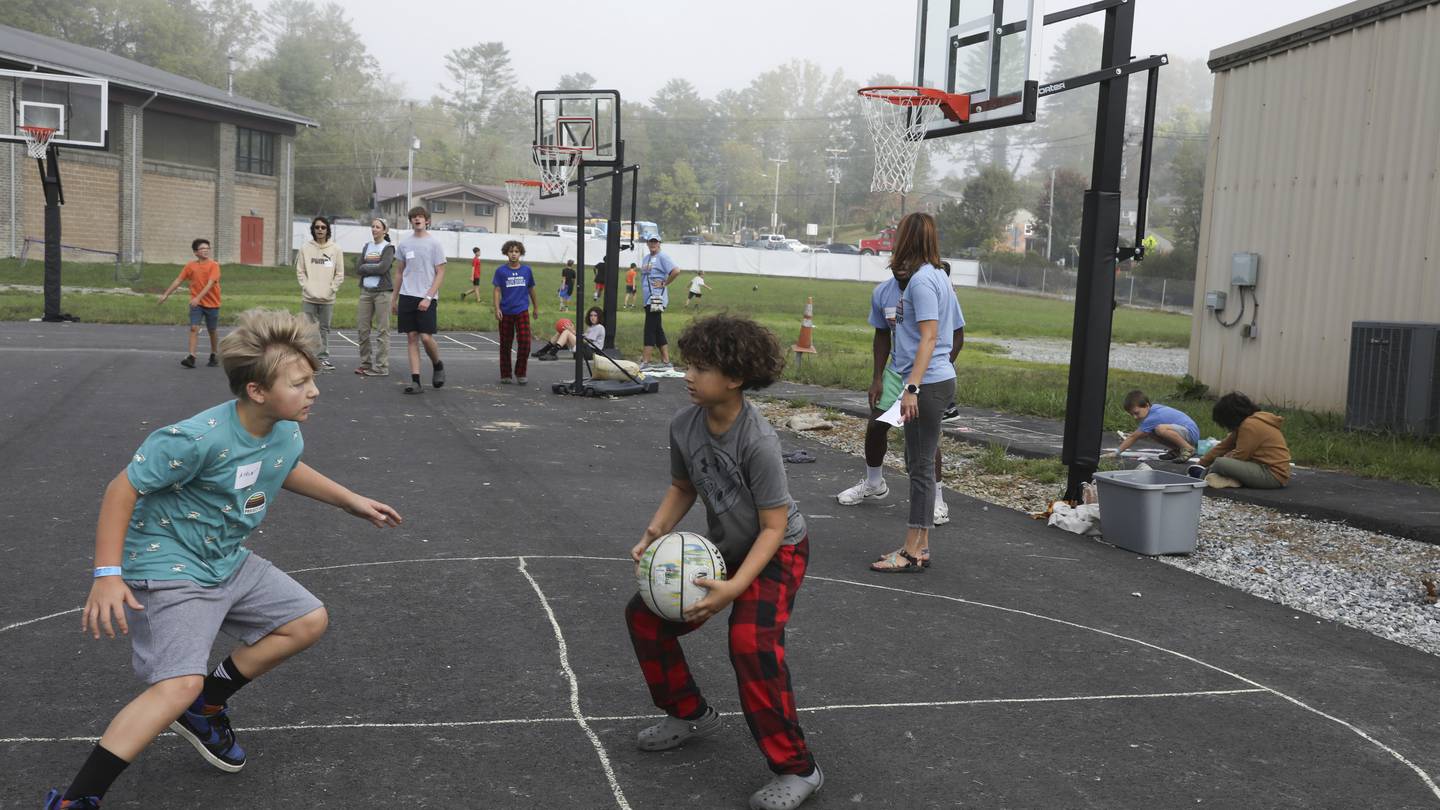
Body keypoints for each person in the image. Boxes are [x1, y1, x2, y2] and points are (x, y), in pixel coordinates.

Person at [41, 308, 401, 810]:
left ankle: (206, 706)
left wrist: (350, 501)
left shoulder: (284, 429)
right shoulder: (195, 439)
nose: (313, 391)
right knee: (175, 686)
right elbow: (120, 490)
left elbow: (281, 466)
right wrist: (107, 575)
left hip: (224, 559)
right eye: (299, 383)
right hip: (170, 566)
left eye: (312, 379)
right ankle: (76, 801)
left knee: (306, 620)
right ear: (257, 391)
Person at [625, 313, 822, 810]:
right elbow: (683, 486)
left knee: (750, 642)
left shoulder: (758, 441)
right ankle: (688, 712)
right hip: (727, 549)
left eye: (701, 367)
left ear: (734, 378)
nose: (689, 375)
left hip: (779, 551)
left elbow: (774, 527)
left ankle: (799, 769)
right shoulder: (684, 424)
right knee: (644, 616)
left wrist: (733, 591)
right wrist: (654, 533)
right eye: (688, 364)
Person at [837, 261, 965, 536]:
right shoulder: (883, 293)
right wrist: (877, 378)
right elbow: (881, 335)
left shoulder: (932, 286)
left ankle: (937, 501)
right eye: (897, 261)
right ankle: (874, 484)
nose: (901, 267)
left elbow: (956, 335)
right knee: (875, 426)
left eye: (908, 261)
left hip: (927, 371)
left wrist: (941, 367)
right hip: (898, 369)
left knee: (922, 437)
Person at [869, 212, 957, 573]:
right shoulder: (937, 276)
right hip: (935, 379)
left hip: (929, 381)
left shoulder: (922, 282)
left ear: (907, 239)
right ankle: (920, 546)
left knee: (919, 468)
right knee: (917, 464)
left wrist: (911, 388)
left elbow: (930, 337)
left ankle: (909, 551)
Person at [391, 206, 447, 395]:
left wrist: (429, 297)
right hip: (407, 295)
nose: (417, 219)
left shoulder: (434, 244)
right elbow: (399, 272)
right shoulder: (405, 244)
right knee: (412, 337)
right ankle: (416, 381)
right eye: (414, 217)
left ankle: (437, 364)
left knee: (425, 337)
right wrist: (394, 298)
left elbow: (440, 272)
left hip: (426, 296)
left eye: (420, 217)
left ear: (427, 220)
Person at [1192, 392, 1291, 489]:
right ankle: (1228, 479)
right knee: (1222, 462)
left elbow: (1240, 455)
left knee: (1220, 463)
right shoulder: (1250, 422)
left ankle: (1202, 476)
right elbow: (1223, 447)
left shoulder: (1250, 425)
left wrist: (1208, 467)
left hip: (1272, 475)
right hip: (1269, 472)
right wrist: (1201, 463)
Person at [157, 238, 221, 369]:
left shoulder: (214, 265)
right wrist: (165, 294)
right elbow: (178, 280)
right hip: (196, 304)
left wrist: (198, 297)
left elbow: (210, 284)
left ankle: (214, 353)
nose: (205, 250)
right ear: (195, 252)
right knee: (194, 328)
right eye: (202, 249)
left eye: (207, 248)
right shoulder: (190, 266)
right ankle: (191, 356)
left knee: (212, 330)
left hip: (212, 303)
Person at [295, 216, 345, 371]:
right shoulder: (305, 248)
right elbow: (300, 271)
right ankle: (307, 360)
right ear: (313, 230)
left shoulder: (335, 249)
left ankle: (323, 358)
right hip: (309, 297)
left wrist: (331, 289)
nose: (320, 230)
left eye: (323, 227)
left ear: (327, 229)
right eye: (317, 227)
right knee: (308, 329)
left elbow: (340, 274)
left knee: (323, 329)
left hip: (327, 299)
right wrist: (307, 287)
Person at [491, 240, 540, 384]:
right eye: (511, 251)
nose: (514, 254)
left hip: (522, 310)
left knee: (525, 342)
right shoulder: (501, 271)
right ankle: (505, 374)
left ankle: (520, 372)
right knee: (506, 343)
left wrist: (536, 307)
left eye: (516, 251)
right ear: (506, 253)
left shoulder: (526, 270)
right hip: (506, 311)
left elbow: (531, 289)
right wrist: (497, 308)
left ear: (520, 253)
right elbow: (497, 289)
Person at [353, 218, 394, 377]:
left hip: (382, 293)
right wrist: (371, 268)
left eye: (378, 227)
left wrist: (366, 267)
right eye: (373, 226)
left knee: (382, 330)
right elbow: (358, 268)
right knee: (363, 329)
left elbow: (383, 268)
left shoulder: (388, 248)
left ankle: (382, 366)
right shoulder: (367, 247)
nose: (374, 229)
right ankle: (365, 364)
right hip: (366, 292)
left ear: (384, 230)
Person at [1113, 390, 1200, 461]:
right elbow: (1140, 434)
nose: (1135, 417)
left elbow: (1134, 437)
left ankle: (1188, 448)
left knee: (1160, 429)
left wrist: (1116, 452)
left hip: (1190, 432)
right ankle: (1178, 450)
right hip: (1186, 431)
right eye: (1132, 414)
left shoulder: (1153, 417)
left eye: (1136, 413)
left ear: (1147, 405)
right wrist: (1134, 435)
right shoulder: (1153, 409)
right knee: (1151, 432)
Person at [639, 237, 680, 371]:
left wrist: (664, 283)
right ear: (647, 243)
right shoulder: (646, 258)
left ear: (659, 243)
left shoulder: (663, 257)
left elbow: (676, 270)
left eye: (655, 242)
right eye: (650, 242)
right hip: (647, 298)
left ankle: (646, 361)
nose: (653, 244)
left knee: (649, 328)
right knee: (657, 329)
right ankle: (666, 361)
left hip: (656, 298)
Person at [534, 306, 604, 361]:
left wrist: (572, 332)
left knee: (567, 332)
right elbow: (583, 338)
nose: (592, 317)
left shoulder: (599, 327)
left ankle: (552, 353)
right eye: (591, 315)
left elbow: (586, 341)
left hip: (592, 354)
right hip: (585, 350)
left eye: (595, 315)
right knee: (562, 331)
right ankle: (544, 351)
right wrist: (573, 331)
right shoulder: (591, 327)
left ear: (599, 316)